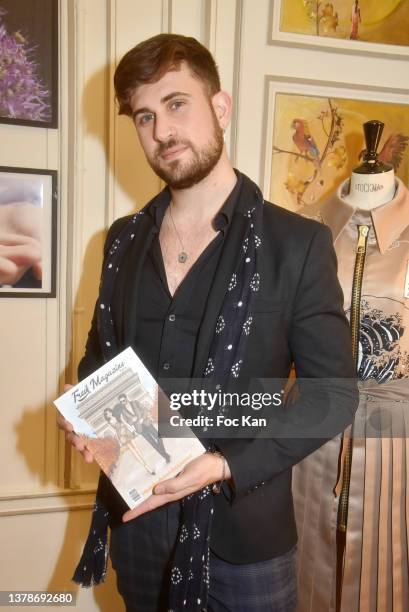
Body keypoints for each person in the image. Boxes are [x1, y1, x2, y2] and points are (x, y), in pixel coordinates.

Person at [58, 34, 357, 612]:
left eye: (176, 104)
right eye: (144, 116)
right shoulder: (120, 242)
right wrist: (87, 414)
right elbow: (100, 363)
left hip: (244, 542)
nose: (162, 131)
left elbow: (334, 396)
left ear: (220, 107)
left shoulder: (297, 245)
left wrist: (222, 465)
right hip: (137, 527)